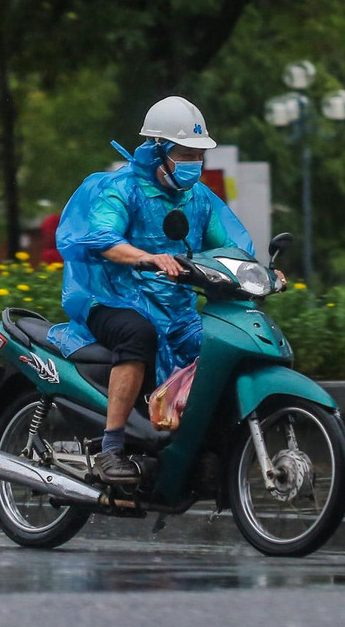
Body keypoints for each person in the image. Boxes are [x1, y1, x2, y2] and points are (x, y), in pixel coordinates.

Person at [48, 96, 257, 485]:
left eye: (199, 155)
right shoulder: (120, 189)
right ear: (159, 150)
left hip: (176, 309)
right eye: (186, 154)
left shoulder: (198, 199)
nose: (195, 163)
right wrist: (147, 257)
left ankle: (200, 446)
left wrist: (258, 272)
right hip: (109, 298)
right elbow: (102, 239)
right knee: (138, 335)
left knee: (219, 345)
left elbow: (228, 248)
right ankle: (111, 448)